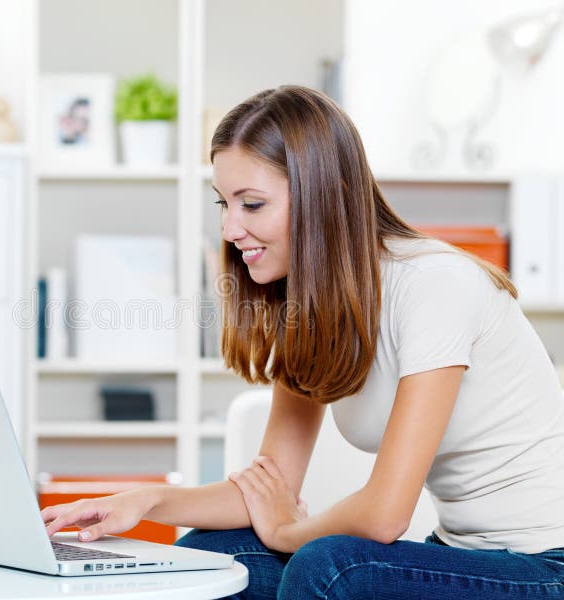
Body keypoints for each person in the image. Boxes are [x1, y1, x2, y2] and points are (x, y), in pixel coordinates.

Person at [43, 86, 564, 598]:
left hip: (545, 567)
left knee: (330, 569)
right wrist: (144, 500)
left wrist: (287, 533)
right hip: (458, 554)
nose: (229, 228)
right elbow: (268, 490)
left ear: (323, 195)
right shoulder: (314, 309)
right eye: (224, 204)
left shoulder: (436, 285)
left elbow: (384, 515)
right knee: (215, 558)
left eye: (251, 204)